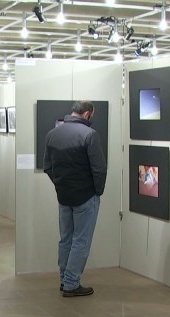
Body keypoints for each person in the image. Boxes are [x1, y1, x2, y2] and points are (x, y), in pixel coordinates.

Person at [43, 100, 106, 298]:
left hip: (64, 195)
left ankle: (64, 279)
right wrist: (97, 191)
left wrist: (60, 184)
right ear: (87, 114)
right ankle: (71, 283)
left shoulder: (52, 134)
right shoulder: (90, 135)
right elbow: (99, 168)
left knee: (66, 239)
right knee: (81, 241)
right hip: (85, 196)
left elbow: (48, 167)